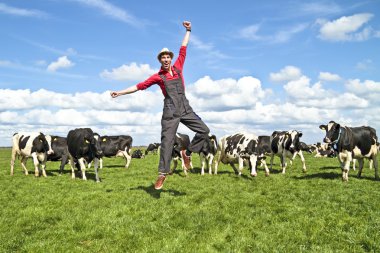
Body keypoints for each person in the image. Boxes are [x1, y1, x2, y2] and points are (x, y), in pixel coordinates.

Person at [110, 21, 210, 190]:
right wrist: (119, 92)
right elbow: (139, 86)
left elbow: (183, 48)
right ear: (160, 60)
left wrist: (188, 30)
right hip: (170, 112)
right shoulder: (158, 77)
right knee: (167, 142)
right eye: (162, 57)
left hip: (185, 108)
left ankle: (188, 153)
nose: (165, 59)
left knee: (204, 131)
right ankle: (162, 174)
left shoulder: (178, 68)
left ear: (171, 59)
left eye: (167, 57)